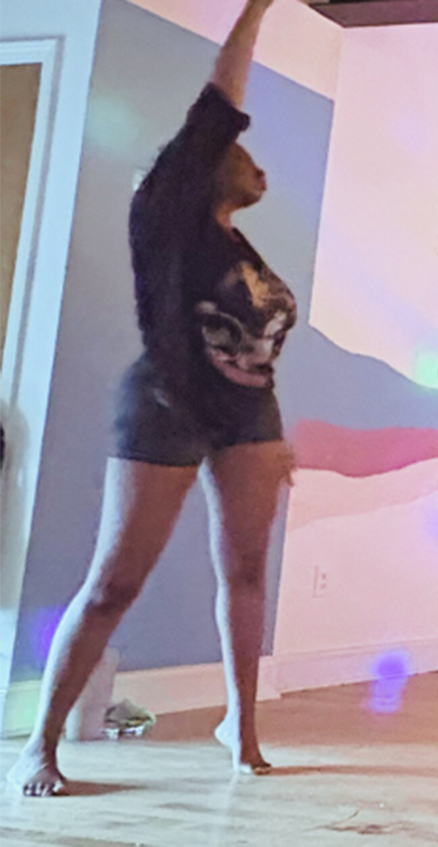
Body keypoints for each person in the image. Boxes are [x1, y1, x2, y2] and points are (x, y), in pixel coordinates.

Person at [7, 0, 295, 797]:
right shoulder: (170, 214)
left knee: (245, 572)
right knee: (113, 583)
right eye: (238, 148)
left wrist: (275, 436)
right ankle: (42, 742)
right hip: (166, 403)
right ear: (203, 164)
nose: (251, 156)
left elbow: (254, 342)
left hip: (247, 416)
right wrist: (259, 7)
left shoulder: (242, 247)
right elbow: (222, 97)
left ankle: (241, 726)